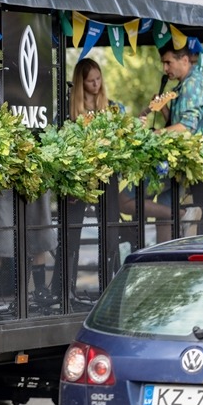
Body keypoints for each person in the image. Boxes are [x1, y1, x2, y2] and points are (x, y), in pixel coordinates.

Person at [0, 70, 58, 311]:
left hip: (33, 167)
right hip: (2, 167)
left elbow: (46, 124)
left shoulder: (38, 78)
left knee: (39, 226)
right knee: (0, 228)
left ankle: (39, 289)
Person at [135, 43, 203, 242]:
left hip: (178, 160)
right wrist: (163, 109)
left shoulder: (192, 84)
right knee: (165, 214)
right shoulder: (186, 84)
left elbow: (187, 127)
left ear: (184, 60)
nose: (165, 69)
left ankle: (188, 217)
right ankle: (163, 258)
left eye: (168, 62)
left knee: (127, 198)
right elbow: (179, 123)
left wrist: (155, 134)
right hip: (176, 159)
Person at [65, 58, 127, 294]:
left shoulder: (112, 107)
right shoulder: (68, 109)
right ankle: (66, 289)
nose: (96, 84)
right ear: (80, 82)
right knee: (71, 230)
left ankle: (110, 286)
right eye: (90, 80)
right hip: (78, 175)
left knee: (110, 228)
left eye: (99, 79)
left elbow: (123, 136)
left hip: (106, 174)